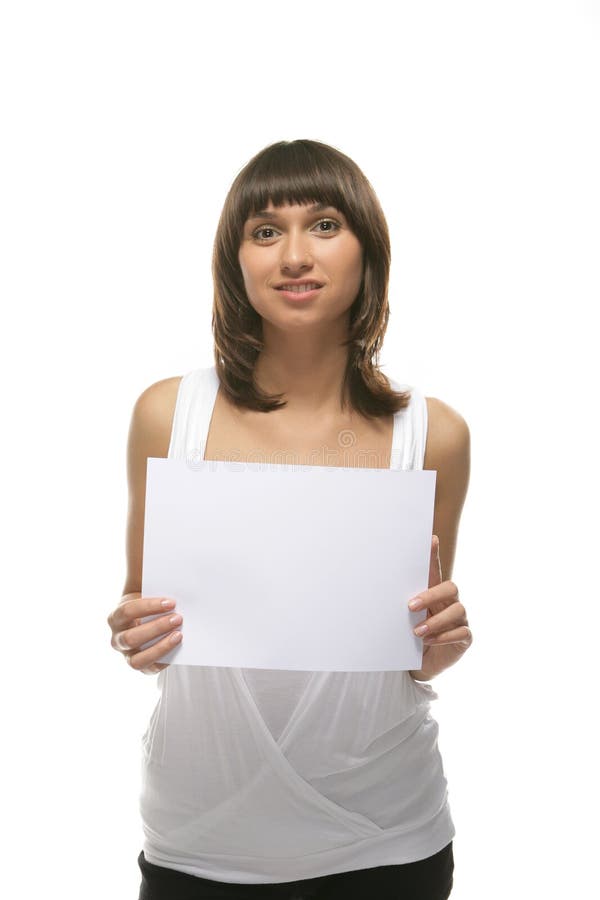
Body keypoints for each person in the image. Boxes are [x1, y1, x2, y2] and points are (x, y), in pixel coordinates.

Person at [107, 139, 472, 900]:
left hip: (386, 843)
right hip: (200, 844)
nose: (295, 255)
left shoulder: (432, 433)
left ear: (368, 251)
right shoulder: (167, 415)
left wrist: (437, 647)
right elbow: (145, 625)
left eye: (326, 224)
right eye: (266, 231)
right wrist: (132, 633)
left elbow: (412, 651)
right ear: (235, 261)